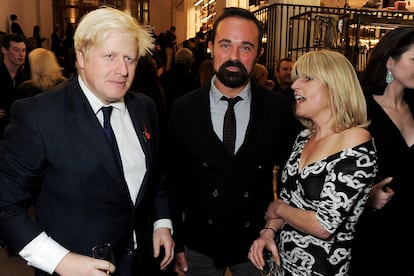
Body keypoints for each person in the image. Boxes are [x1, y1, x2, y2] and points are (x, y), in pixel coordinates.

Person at [0, 6, 174, 276]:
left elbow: (156, 175)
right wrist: (62, 261)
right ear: (81, 57)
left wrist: (161, 222)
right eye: (110, 56)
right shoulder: (38, 116)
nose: (123, 70)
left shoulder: (145, 108)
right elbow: (5, 204)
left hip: (142, 265)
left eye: (130, 58)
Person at [167, 7, 300, 276]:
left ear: (259, 54)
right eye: (226, 45)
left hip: (257, 244)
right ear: (210, 47)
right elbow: (172, 181)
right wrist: (176, 241)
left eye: (246, 47)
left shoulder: (279, 110)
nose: (234, 57)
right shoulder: (184, 108)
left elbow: (296, 176)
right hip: (199, 245)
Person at [247, 49, 378, 276]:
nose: (294, 85)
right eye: (296, 78)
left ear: (335, 85)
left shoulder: (354, 139)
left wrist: (279, 208)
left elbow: (324, 225)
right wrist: (268, 232)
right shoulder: (304, 137)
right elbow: (289, 198)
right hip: (282, 265)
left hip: (321, 270)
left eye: (306, 78)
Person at [349, 27, 414, 276]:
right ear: (390, 61)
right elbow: (334, 172)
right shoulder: (361, 111)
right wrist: (365, 197)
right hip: (376, 233)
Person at [0, 33, 29, 138]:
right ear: (4, 50)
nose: (21, 55)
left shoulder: (26, 79)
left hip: (20, 133)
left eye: (23, 50)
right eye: (16, 50)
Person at [159, 47, 199, 115]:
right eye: (192, 58)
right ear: (188, 61)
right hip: (186, 114)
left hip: (167, 115)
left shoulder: (164, 77)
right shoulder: (191, 78)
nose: (194, 60)